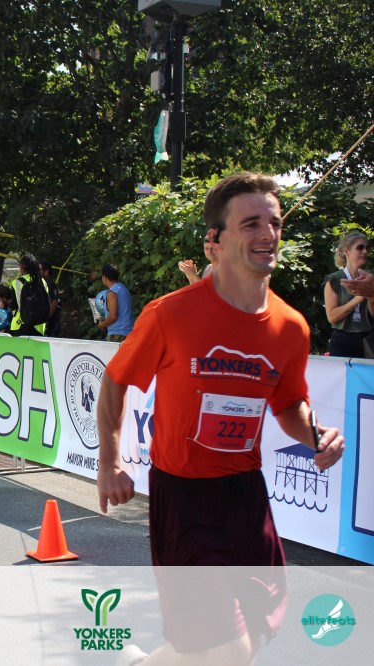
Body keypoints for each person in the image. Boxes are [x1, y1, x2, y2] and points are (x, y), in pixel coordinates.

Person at [97, 172, 345, 665]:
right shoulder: (171, 314)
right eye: (251, 223)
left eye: (274, 223)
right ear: (217, 239)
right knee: (224, 650)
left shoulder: (291, 327)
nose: (268, 234)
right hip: (184, 497)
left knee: (249, 641)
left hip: (246, 497)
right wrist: (110, 462)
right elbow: (115, 379)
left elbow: (288, 404)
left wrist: (316, 434)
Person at [323, 231, 373, 357]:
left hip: (367, 338)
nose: (365, 251)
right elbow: (332, 317)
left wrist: (371, 296)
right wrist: (358, 299)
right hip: (342, 340)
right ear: (347, 251)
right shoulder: (334, 279)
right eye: (360, 247)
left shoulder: (369, 279)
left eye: (367, 248)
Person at [8, 253, 50, 337]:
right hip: (39, 325)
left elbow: (14, 305)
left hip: (21, 324)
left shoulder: (17, 282)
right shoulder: (42, 282)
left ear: (23, 266)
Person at [96, 264, 133, 341]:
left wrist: (102, 324)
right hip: (129, 332)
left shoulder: (112, 292)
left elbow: (113, 316)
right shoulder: (123, 289)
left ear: (105, 277)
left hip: (118, 334)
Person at [39, 261, 62, 336]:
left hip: (52, 325)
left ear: (46, 272)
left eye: (39, 270)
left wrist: (46, 318)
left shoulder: (50, 284)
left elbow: (54, 302)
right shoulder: (42, 284)